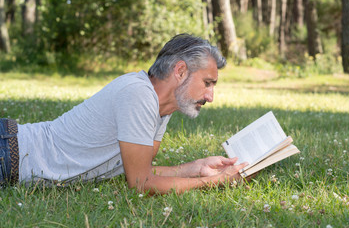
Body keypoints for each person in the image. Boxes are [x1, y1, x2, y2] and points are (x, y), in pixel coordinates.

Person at [0, 34, 249, 194]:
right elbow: (141, 184)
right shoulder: (138, 94)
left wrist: (197, 167)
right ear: (180, 71)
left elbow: (139, 170)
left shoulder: (163, 106)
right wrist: (217, 181)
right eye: (207, 83)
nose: (210, 96)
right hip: (8, 153)